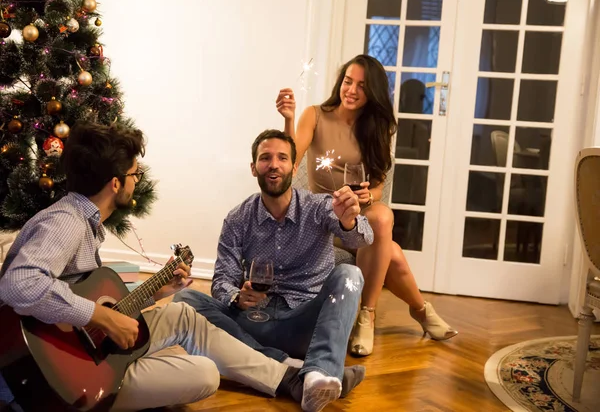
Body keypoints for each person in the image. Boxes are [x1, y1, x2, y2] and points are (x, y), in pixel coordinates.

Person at [0, 123, 325, 412]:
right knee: (205, 374)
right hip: (63, 382)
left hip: (78, 351)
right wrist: (105, 317)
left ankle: (290, 378)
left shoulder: (82, 220)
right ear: (115, 184)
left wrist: (160, 290)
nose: (136, 181)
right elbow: (20, 284)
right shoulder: (67, 222)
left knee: (182, 314)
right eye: (134, 175)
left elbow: (85, 304)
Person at [175, 129, 372, 412]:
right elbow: (221, 281)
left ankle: (317, 372)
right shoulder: (237, 218)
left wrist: (350, 221)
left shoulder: (319, 207)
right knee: (184, 301)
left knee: (351, 275)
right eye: (265, 158)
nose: (274, 164)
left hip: (305, 324)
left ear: (294, 166)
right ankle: (299, 370)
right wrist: (236, 297)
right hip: (254, 322)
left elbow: (363, 239)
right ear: (254, 167)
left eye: (282, 158)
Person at [276, 54, 458, 357]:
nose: (351, 90)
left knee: (381, 218)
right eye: (348, 81)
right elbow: (288, 162)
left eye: (361, 86)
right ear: (340, 82)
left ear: (371, 92)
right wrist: (288, 119)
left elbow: (377, 182)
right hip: (322, 217)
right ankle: (420, 310)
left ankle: (367, 314)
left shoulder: (378, 125)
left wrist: (368, 197)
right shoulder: (315, 115)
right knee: (392, 251)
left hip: (357, 217)